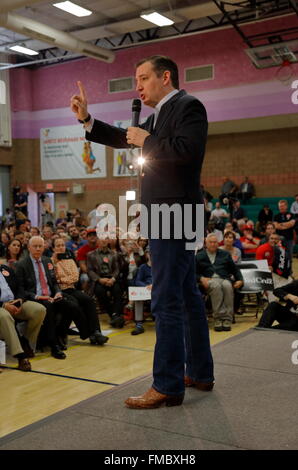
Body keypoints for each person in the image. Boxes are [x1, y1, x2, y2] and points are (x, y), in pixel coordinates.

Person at [71, 55, 214, 409]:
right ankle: (199, 372)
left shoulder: (188, 106)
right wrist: (88, 121)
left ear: (165, 77)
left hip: (176, 212)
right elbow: (127, 138)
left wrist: (146, 141)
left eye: (143, 78)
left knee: (166, 298)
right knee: (186, 295)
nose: (138, 86)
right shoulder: (161, 113)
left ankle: (166, 384)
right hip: (174, 212)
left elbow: (187, 151)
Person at [15, 236, 80, 359]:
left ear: (44, 247)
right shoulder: (22, 264)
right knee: (49, 308)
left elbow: (54, 282)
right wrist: (38, 296)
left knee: (73, 305)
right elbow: (21, 289)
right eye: (35, 246)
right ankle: (53, 344)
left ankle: (60, 334)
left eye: (41, 246)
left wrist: (57, 292)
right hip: (36, 297)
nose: (38, 249)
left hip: (51, 295)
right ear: (29, 248)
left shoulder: (47, 261)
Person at [51, 237, 108, 346]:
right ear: (53, 248)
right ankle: (89, 334)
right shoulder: (51, 261)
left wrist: (62, 279)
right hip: (60, 291)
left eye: (62, 245)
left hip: (71, 289)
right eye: (58, 245)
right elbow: (54, 279)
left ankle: (96, 331)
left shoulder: (70, 260)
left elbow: (75, 277)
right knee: (75, 305)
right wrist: (62, 276)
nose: (61, 247)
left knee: (88, 300)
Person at [196, 234, 243, 331]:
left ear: (218, 243)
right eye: (210, 242)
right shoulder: (199, 256)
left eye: (215, 242)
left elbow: (235, 270)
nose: (213, 244)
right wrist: (201, 278)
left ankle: (227, 319)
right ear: (206, 244)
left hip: (224, 278)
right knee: (216, 285)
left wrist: (240, 279)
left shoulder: (225, 254)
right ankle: (218, 318)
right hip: (208, 280)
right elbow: (192, 273)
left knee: (227, 285)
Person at [273, 200, 295, 267]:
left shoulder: (291, 215)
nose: (281, 208)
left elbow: (291, 224)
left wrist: (281, 225)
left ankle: (289, 272)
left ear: (286, 206)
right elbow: (276, 226)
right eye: (280, 206)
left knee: (289, 257)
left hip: (289, 239)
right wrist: (286, 225)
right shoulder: (276, 216)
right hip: (279, 240)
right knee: (280, 257)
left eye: (282, 206)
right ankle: (280, 272)